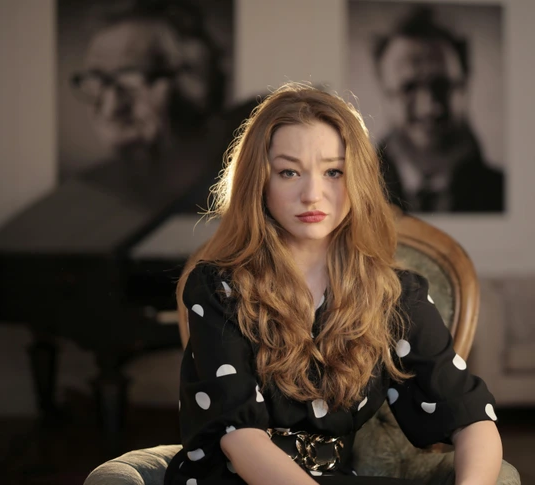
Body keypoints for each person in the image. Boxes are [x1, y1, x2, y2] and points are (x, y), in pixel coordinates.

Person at [164, 84, 502, 484]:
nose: (312, 194)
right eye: (289, 172)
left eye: (333, 172)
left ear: (358, 179)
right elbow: (241, 439)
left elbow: (471, 416)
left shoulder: (394, 295)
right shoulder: (219, 287)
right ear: (259, 181)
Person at [69, 0, 229, 172]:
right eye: (97, 81)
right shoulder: (89, 184)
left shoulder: (235, 176)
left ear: (196, 85)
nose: (111, 108)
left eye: (130, 80)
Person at [372, 7, 505, 213]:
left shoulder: (501, 194)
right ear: (384, 93)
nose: (429, 108)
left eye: (442, 85)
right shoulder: (353, 195)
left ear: (465, 86)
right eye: (408, 88)